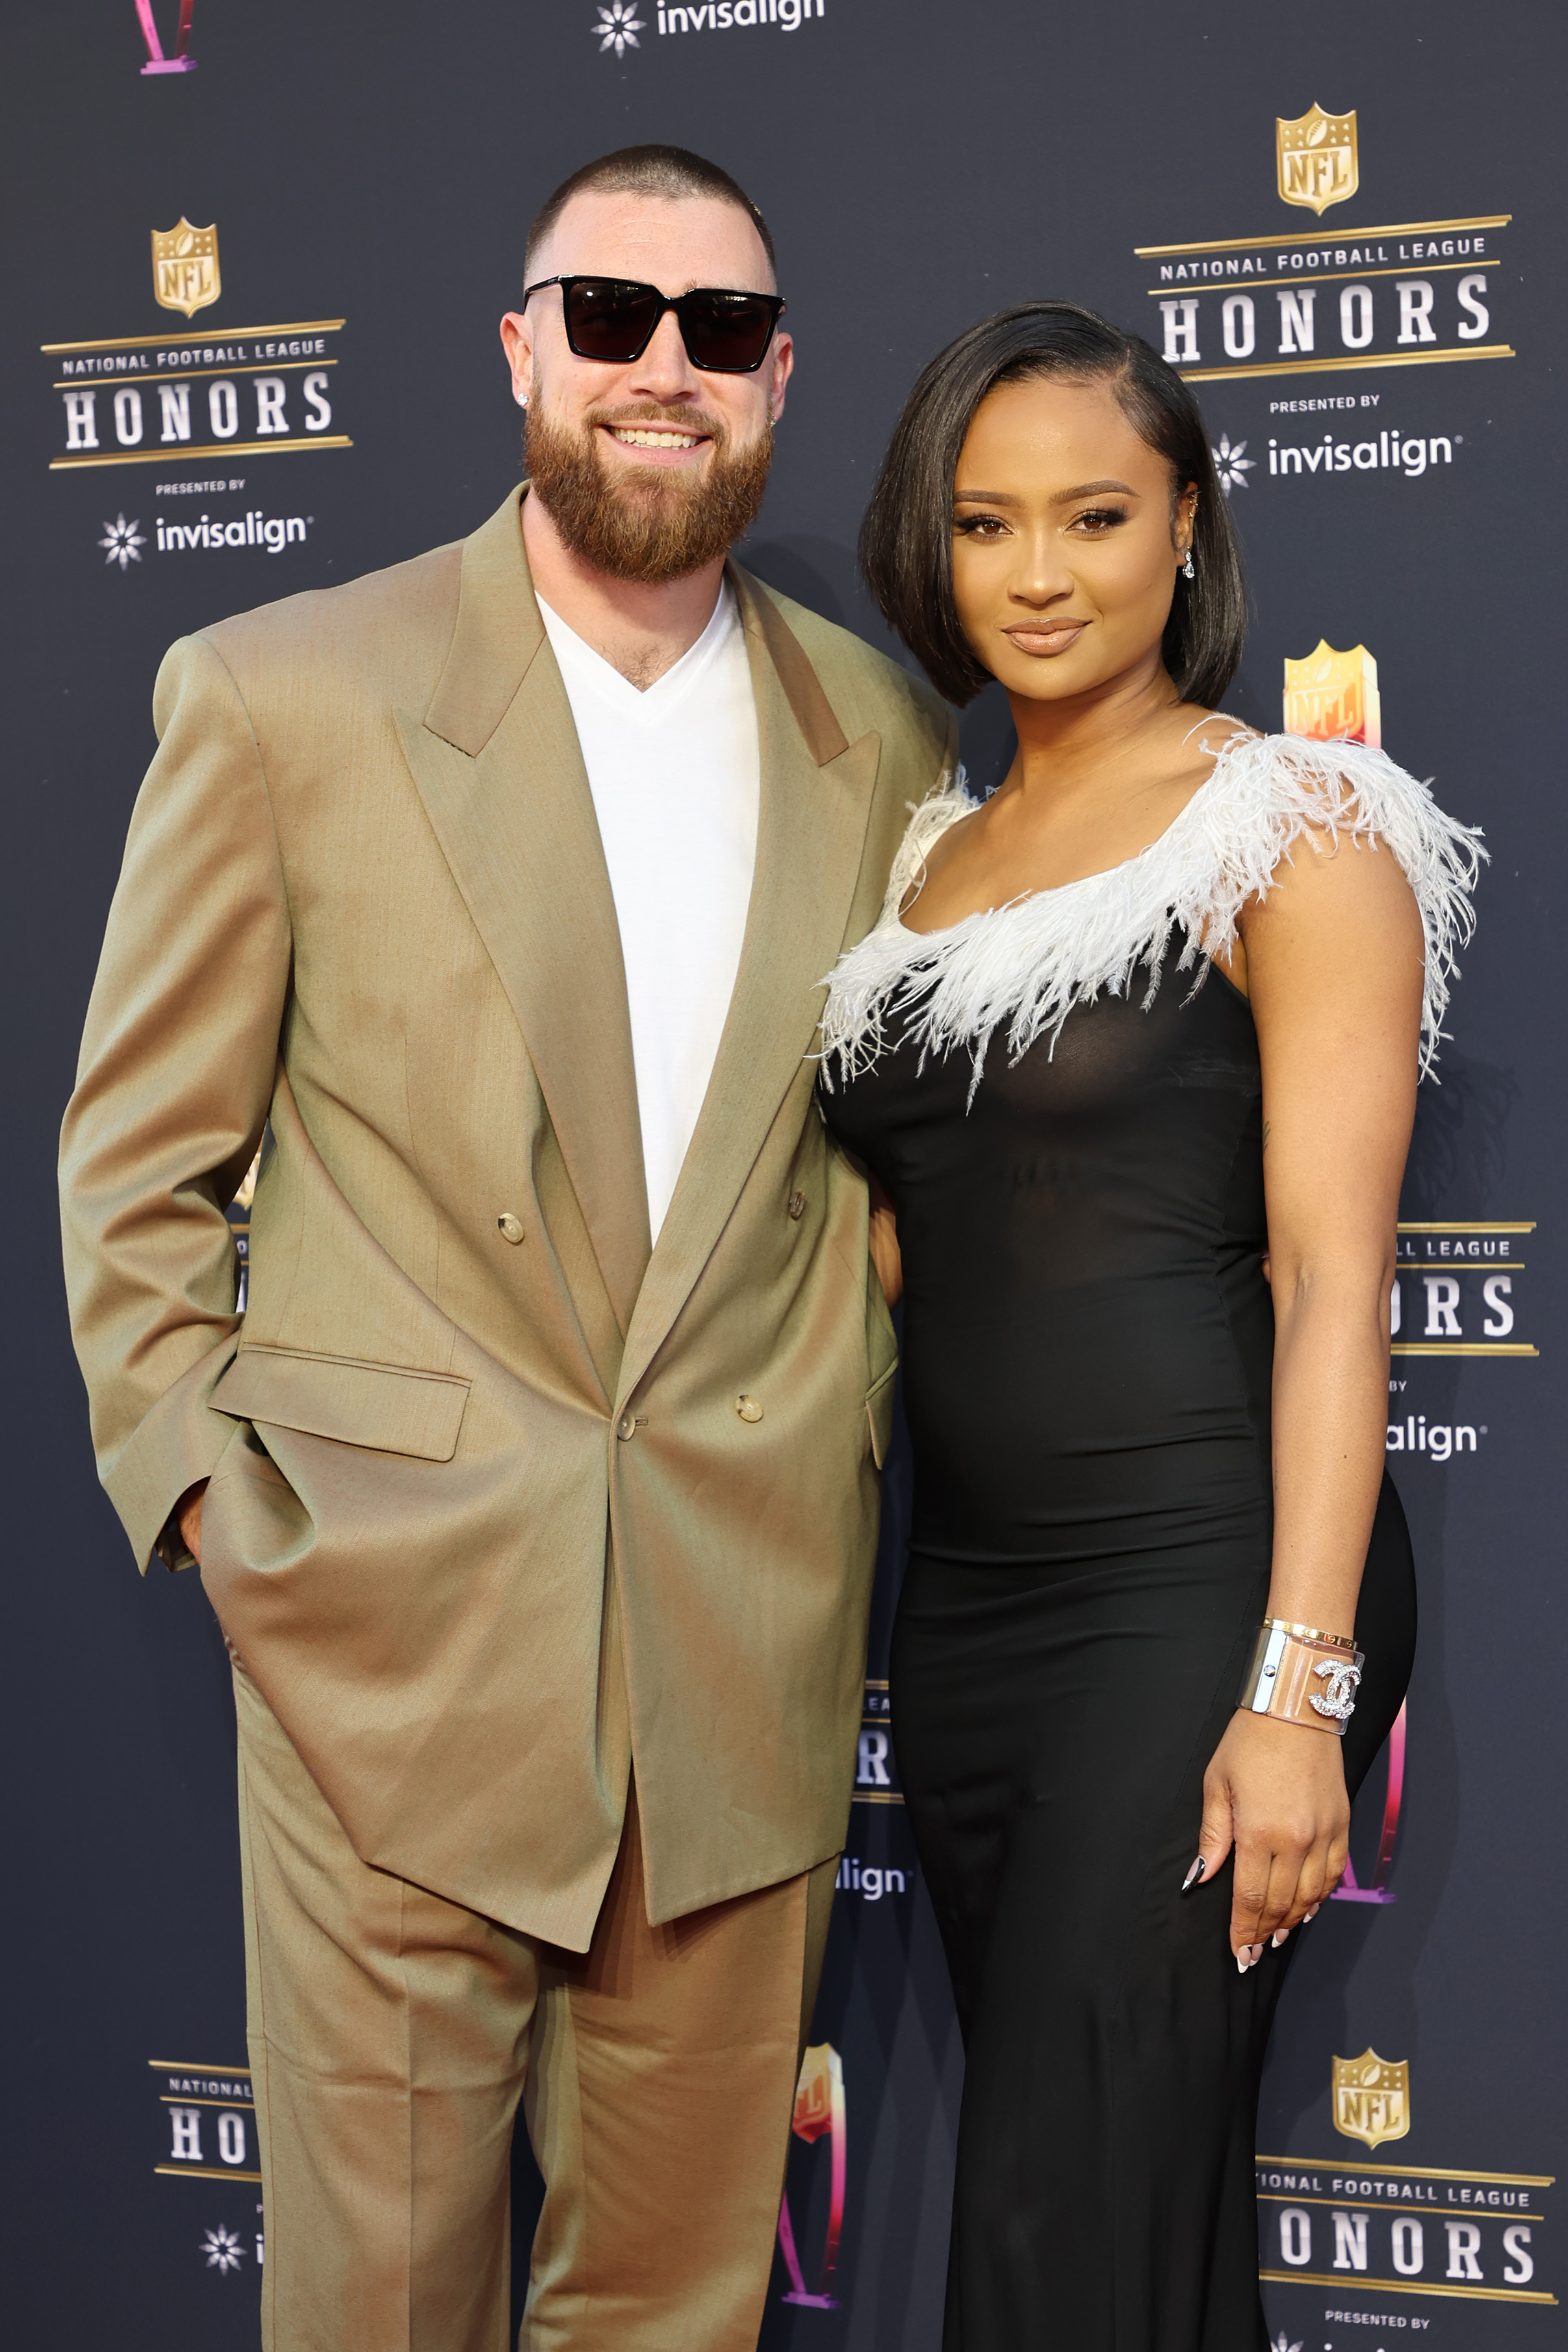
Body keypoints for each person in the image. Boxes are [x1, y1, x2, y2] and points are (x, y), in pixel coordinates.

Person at [58, 145, 952, 2352]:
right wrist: (212, 1501)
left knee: (673, 2312)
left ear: (779, 378)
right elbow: (137, 1157)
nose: (668, 370)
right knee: (377, 2311)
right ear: (520, 346)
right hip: (390, 1663)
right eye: (614, 314)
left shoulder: (886, 742)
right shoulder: (283, 694)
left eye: (724, 329)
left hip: (734, 1669)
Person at [816, 303, 1480, 2350]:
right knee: (1127, 2225)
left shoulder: (1301, 825)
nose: (1037, 573)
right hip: (979, 1613)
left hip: (1202, 1595)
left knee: (1057, 2226)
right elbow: (899, 1254)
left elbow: (1334, 1282)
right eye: (988, 524)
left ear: (1185, 526)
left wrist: (1296, 1688)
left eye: (1094, 516)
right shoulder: (923, 857)